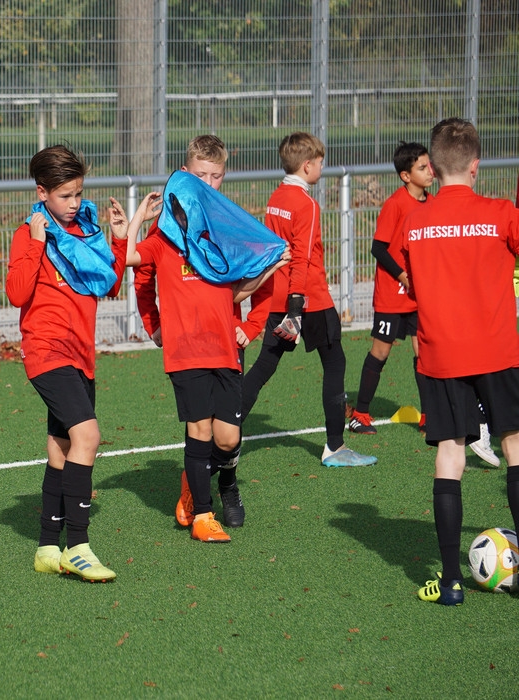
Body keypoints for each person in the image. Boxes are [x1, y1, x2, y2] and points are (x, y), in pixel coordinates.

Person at [119, 187, 288, 542]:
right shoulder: (160, 244)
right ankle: (203, 515)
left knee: (228, 439)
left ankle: (197, 485)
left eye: (190, 207)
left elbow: (234, 293)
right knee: (199, 431)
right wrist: (138, 219)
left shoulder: (214, 243)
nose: (184, 213)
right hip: (185, 354)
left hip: (224, 350)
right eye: (178, 207)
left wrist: (272, 265)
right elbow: (128, 257)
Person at [400, 118, 519, 605]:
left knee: (451, 455)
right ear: (475, 165)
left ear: (432, 166)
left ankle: (450, 582)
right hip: (497, 350)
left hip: (442, 354)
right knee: (514, 446)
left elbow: (410, 278)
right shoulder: (501, 213)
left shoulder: (414, 222)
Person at [135, 135, 272, 528]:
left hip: (227, 341)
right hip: (187, 345)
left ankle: (227, 482)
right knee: (199, 428)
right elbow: (143, 278)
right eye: (200, 176)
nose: (208, 184)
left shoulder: (229, 225)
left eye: (216, 176)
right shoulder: (165, 229)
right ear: (184, 174)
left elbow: (264, 274)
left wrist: (250, 325)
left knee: (228, 436)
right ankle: (202, 499)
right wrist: (153, 324)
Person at [6, 144, 128, 582]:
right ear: (42, 193)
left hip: (80, 355)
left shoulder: (86, 230)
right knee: (88, 436)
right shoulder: (28, 235)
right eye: (65, 196)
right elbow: (17, 293)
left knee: (60, 447)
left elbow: (109, 286)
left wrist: (119, 238)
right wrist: (38, 245)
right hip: (46, 351)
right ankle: (78, 545)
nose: (75, 203)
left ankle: (46, 547)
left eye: (78, 193)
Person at [347, 142, 499, 466]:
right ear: (405, 176)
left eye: (430, 166)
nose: (430, 172)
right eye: (421, 168)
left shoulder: (432, 203)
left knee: (424, 353)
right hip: (392, 295)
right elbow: (378, 248)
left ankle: (430, 414)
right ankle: (360, 413)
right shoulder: (395, 204)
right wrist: (402, 275)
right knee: (381, 352)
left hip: (420, 295)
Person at [240, 132, 377, 467]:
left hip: (276, 294)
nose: (321, 168)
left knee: (264, 366)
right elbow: (301, 258)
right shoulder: (307, 204)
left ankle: (227, 426)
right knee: (335, 363)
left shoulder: (276, 197)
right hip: (308, 298)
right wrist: (297, 306)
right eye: (319, 163)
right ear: (306, 165)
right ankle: (335, 447)